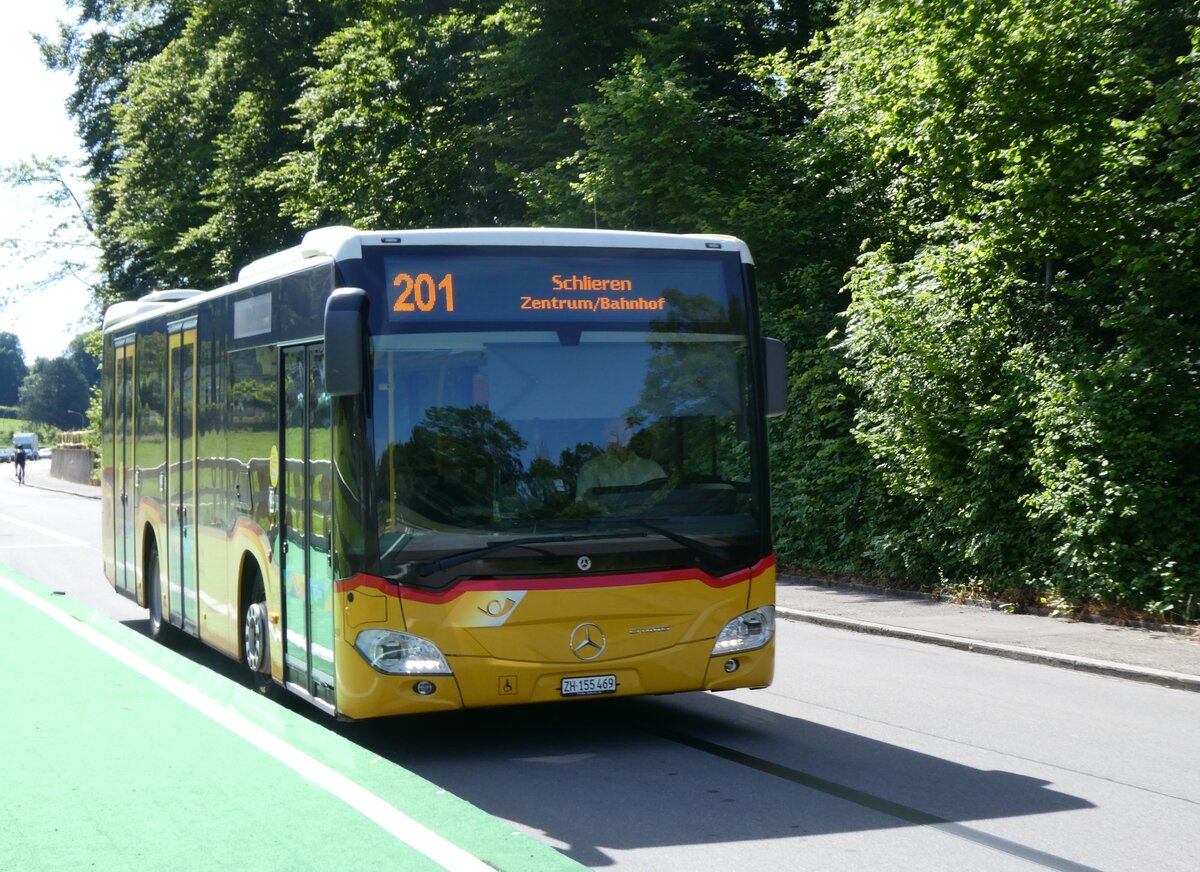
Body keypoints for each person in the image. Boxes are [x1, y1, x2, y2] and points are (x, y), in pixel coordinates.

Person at [576, 420, 664, 502]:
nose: (619, 438)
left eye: (626, 431)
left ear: (632, 435)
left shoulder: (651, 468)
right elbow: (584, 506)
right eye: (613, 433)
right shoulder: (591, 469)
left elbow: (665, 497)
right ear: (603, 436)